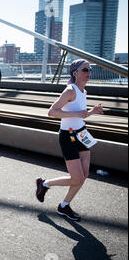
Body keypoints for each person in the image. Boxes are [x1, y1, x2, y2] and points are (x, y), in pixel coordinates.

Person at [35, 59, 103, 221]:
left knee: (84, 175)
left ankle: (64, 206)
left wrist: (92, 111)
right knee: (77, 178)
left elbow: (81, 114)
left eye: (90, 69)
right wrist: (77, 114)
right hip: (68, 136)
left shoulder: (83, 92)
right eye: (85, 69)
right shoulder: (70, 91)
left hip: (81, 134)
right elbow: (52, 112)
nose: (89, 72)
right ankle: (44, 184)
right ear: (75, 73)